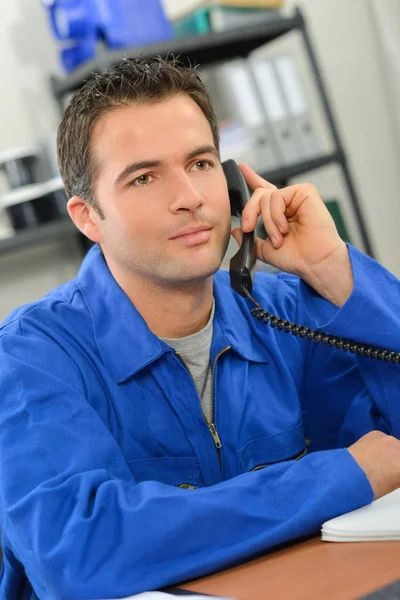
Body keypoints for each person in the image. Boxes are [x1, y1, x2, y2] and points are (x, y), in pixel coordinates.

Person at [0, 56, 400, 600]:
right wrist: (337, 478)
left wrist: (332, 268)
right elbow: (80, 549)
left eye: (201, 164)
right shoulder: (31, 356)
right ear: (88, 217)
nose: (189, 197)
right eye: (144, 177)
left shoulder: (288, 313)